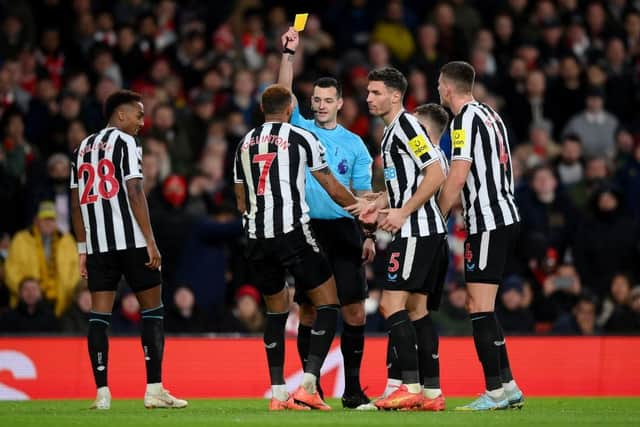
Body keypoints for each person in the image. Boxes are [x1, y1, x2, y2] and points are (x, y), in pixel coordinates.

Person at [233, 84, 367, 411]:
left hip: (255, 236)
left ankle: (279, 393)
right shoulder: (302, 137)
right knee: (329, 303)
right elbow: (333, 187)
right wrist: (364, 213)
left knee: (276, 311)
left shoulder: (245, 143)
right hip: (293, 232)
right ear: (291, 107)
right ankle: (309, 383)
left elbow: (240, 199)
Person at [70, 90, 187, 410]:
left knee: (99, 317)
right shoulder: (125, 143)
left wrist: (83, 247)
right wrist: (150, 239)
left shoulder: (81, 148)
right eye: (138, 114)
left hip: (99, 247)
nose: (142, 121)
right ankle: (154, 389)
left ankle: (102, 394)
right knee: (152, 311)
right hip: (132, 241)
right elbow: (135, 189)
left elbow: (76, 203)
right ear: (120, 115)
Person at [277, 27, 374, 409]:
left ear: (339, 104)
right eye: (315, 99)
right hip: (308, 229)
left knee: (353, 310)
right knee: (311, 308)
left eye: (326, 100)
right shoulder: (299, 129)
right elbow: (281, 96)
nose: (319, 105)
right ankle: (309, 389)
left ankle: (351, 390)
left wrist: (367, 234)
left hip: (344, 230)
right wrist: (287, 55)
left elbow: (364, 195)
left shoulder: (355, 144)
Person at [354, 67, 447, 410]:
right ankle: (432, 393)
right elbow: (407, 183)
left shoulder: (407, 126)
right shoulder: (393, 131)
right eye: (368, 92)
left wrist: (403, 211)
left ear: (395, 95)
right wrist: (380, 202)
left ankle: (408, 386)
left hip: (416, 230)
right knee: (417, 309)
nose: (368, 98)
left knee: (391, 305)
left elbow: (436, 172)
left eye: (375, 92)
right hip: (423, 230)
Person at [436, 61, 524, 410]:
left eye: (439, 84)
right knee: (483, 306)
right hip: (504, 214)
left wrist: (438, 214)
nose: (438, 89)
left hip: (487, 220)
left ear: (448, 87)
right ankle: (509, 385)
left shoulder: (462, 121)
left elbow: (459, 173)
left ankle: (495, 392)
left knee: (479, 307)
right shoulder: (491, 114)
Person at [5, 200, 79, 317]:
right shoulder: (20, 239)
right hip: (27, 305)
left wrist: (68, 292)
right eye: (45, 219)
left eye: (52, 219)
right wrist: (28, 292)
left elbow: (77, 271)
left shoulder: (68, 241)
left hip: (62, 304)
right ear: (36, 221)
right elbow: (10, 271)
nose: (48, 223)